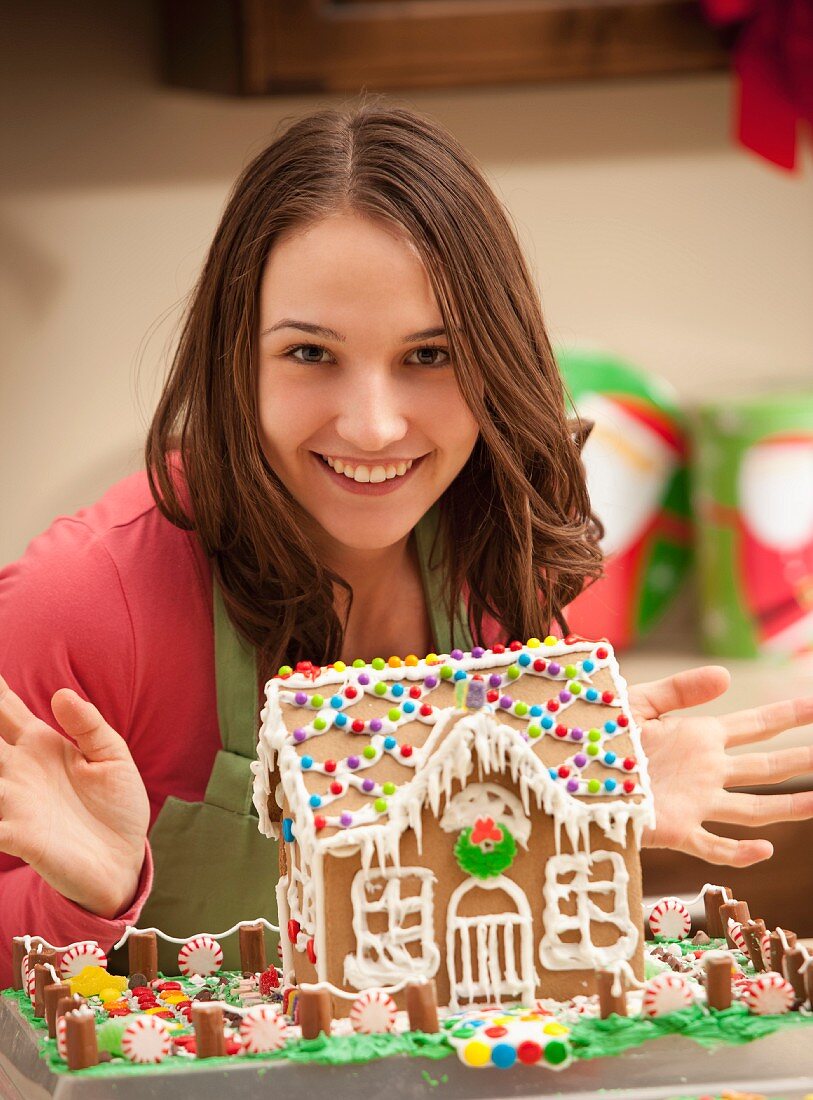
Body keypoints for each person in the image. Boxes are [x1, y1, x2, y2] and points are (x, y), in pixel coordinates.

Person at [1, 101, 812, 985]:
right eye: (311, 354)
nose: (376, 425)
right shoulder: (83, 603)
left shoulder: (500, 552)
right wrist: (88, 894)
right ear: (233, 355)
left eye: (430, 355)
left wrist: (577, 808)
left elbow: (476, 960)